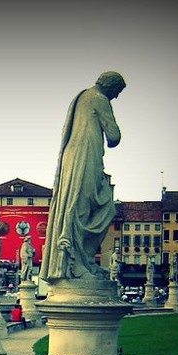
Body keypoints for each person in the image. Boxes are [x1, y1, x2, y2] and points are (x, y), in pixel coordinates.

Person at [40, 71, 126, 282]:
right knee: (87, 208)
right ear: (111, 87)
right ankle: (77, 262)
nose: (116, 97)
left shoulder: (80, 97)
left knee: (79, 206)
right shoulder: (99, 99)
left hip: (73, 157)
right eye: (117, 92)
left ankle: (83, 260)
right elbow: (114, 136)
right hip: (85, 158)